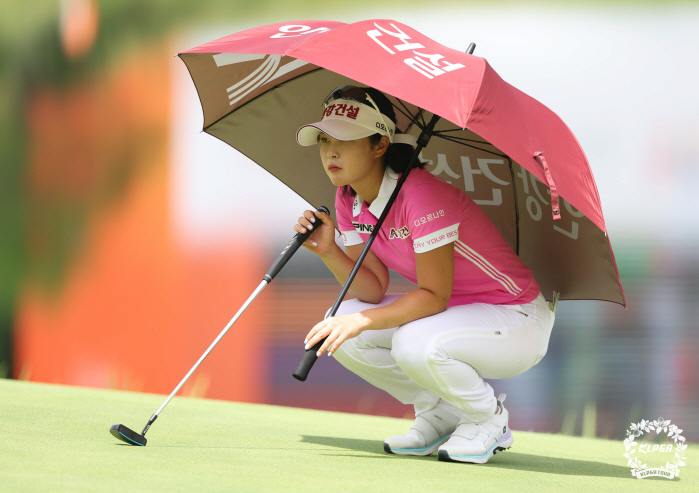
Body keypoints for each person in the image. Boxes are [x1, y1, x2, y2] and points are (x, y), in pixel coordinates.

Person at [293, 85, 554, 464]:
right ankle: (440, 412)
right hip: (453, 316)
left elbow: (434, 296)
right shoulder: (347, 198)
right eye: (324, 138)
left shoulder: (421, 195)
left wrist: (362, 321)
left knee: (410, 341)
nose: (329, 151)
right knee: (341, 327)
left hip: (517, 318)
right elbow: (372, 289)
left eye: (344, 139)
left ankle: (488, 418)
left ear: (380, 144)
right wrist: (329, 250)